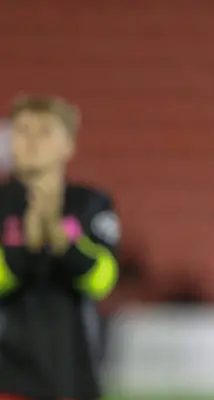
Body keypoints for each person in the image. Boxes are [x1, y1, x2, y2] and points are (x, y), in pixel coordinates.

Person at [0, 95, 120, 400]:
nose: (31, 142)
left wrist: (64, 243)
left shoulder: (90, 203)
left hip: (74, 375)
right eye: (23, 131)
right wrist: (27, 245)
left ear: (68, 145)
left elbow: (102, 281)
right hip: (9, 375)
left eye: (44, 132)